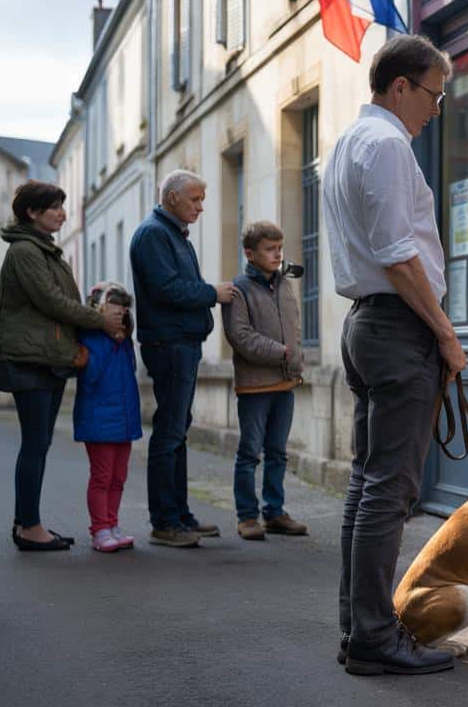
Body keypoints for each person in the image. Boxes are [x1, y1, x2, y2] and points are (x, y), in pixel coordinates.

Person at [322, 34, 467, 677]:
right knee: (389, 490)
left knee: (368, 486)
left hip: (369, 326)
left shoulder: (350, 145)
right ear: (401, 86)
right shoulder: (384, 145)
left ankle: (362, 631)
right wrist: (444, 331)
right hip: (397, 328)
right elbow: (397, 254)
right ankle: (376, 638)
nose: (438, 108)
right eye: (434, 93)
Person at [0, 180, 126, 552]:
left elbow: (66, 301)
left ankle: (27, 522)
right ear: (32, 212)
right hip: (29, 358)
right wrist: (100, 321)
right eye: (54, 206)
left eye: (62, 206)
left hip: (46, 358)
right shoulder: (25, 251)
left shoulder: (47, 252)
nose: (62, 213)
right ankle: (29, 527)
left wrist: (96, 310)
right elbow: (52, 302)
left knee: (40, 442)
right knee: (35, 443)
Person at [129, 169, 235, 548]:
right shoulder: (154, 234)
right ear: (172, 197)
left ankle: (181, 516)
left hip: (181, 343)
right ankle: (165, 522)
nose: (201, 207)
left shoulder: (171, 233)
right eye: (195, 199)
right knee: (170, 432)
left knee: (176, 431)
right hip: (169, 344)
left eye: (202, 199)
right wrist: (213, 293)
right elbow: (166, 289)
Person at [222, 221, 308, 541]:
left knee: (278, 452)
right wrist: (282, 352)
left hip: (285, 381)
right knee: (249, 452)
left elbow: (295, 328)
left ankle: (275, 512)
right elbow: (240, 336)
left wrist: (296, 358)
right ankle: (247, 516)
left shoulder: (285, 284)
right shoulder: (238, 289)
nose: (277, 254)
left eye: (279, 248)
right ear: (250, 253)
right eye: (269, 249)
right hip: (255, 385)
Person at [73, 281, 143, 553]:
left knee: (119, 477)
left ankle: (112, 524)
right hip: (99, 422)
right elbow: (91, 376)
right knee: (102, 477)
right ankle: (99, 529)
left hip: (123, 423)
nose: (119, 322)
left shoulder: (125, 344)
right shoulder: (91, 340)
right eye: (114, 316)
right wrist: (105, 341)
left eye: (123, 316)